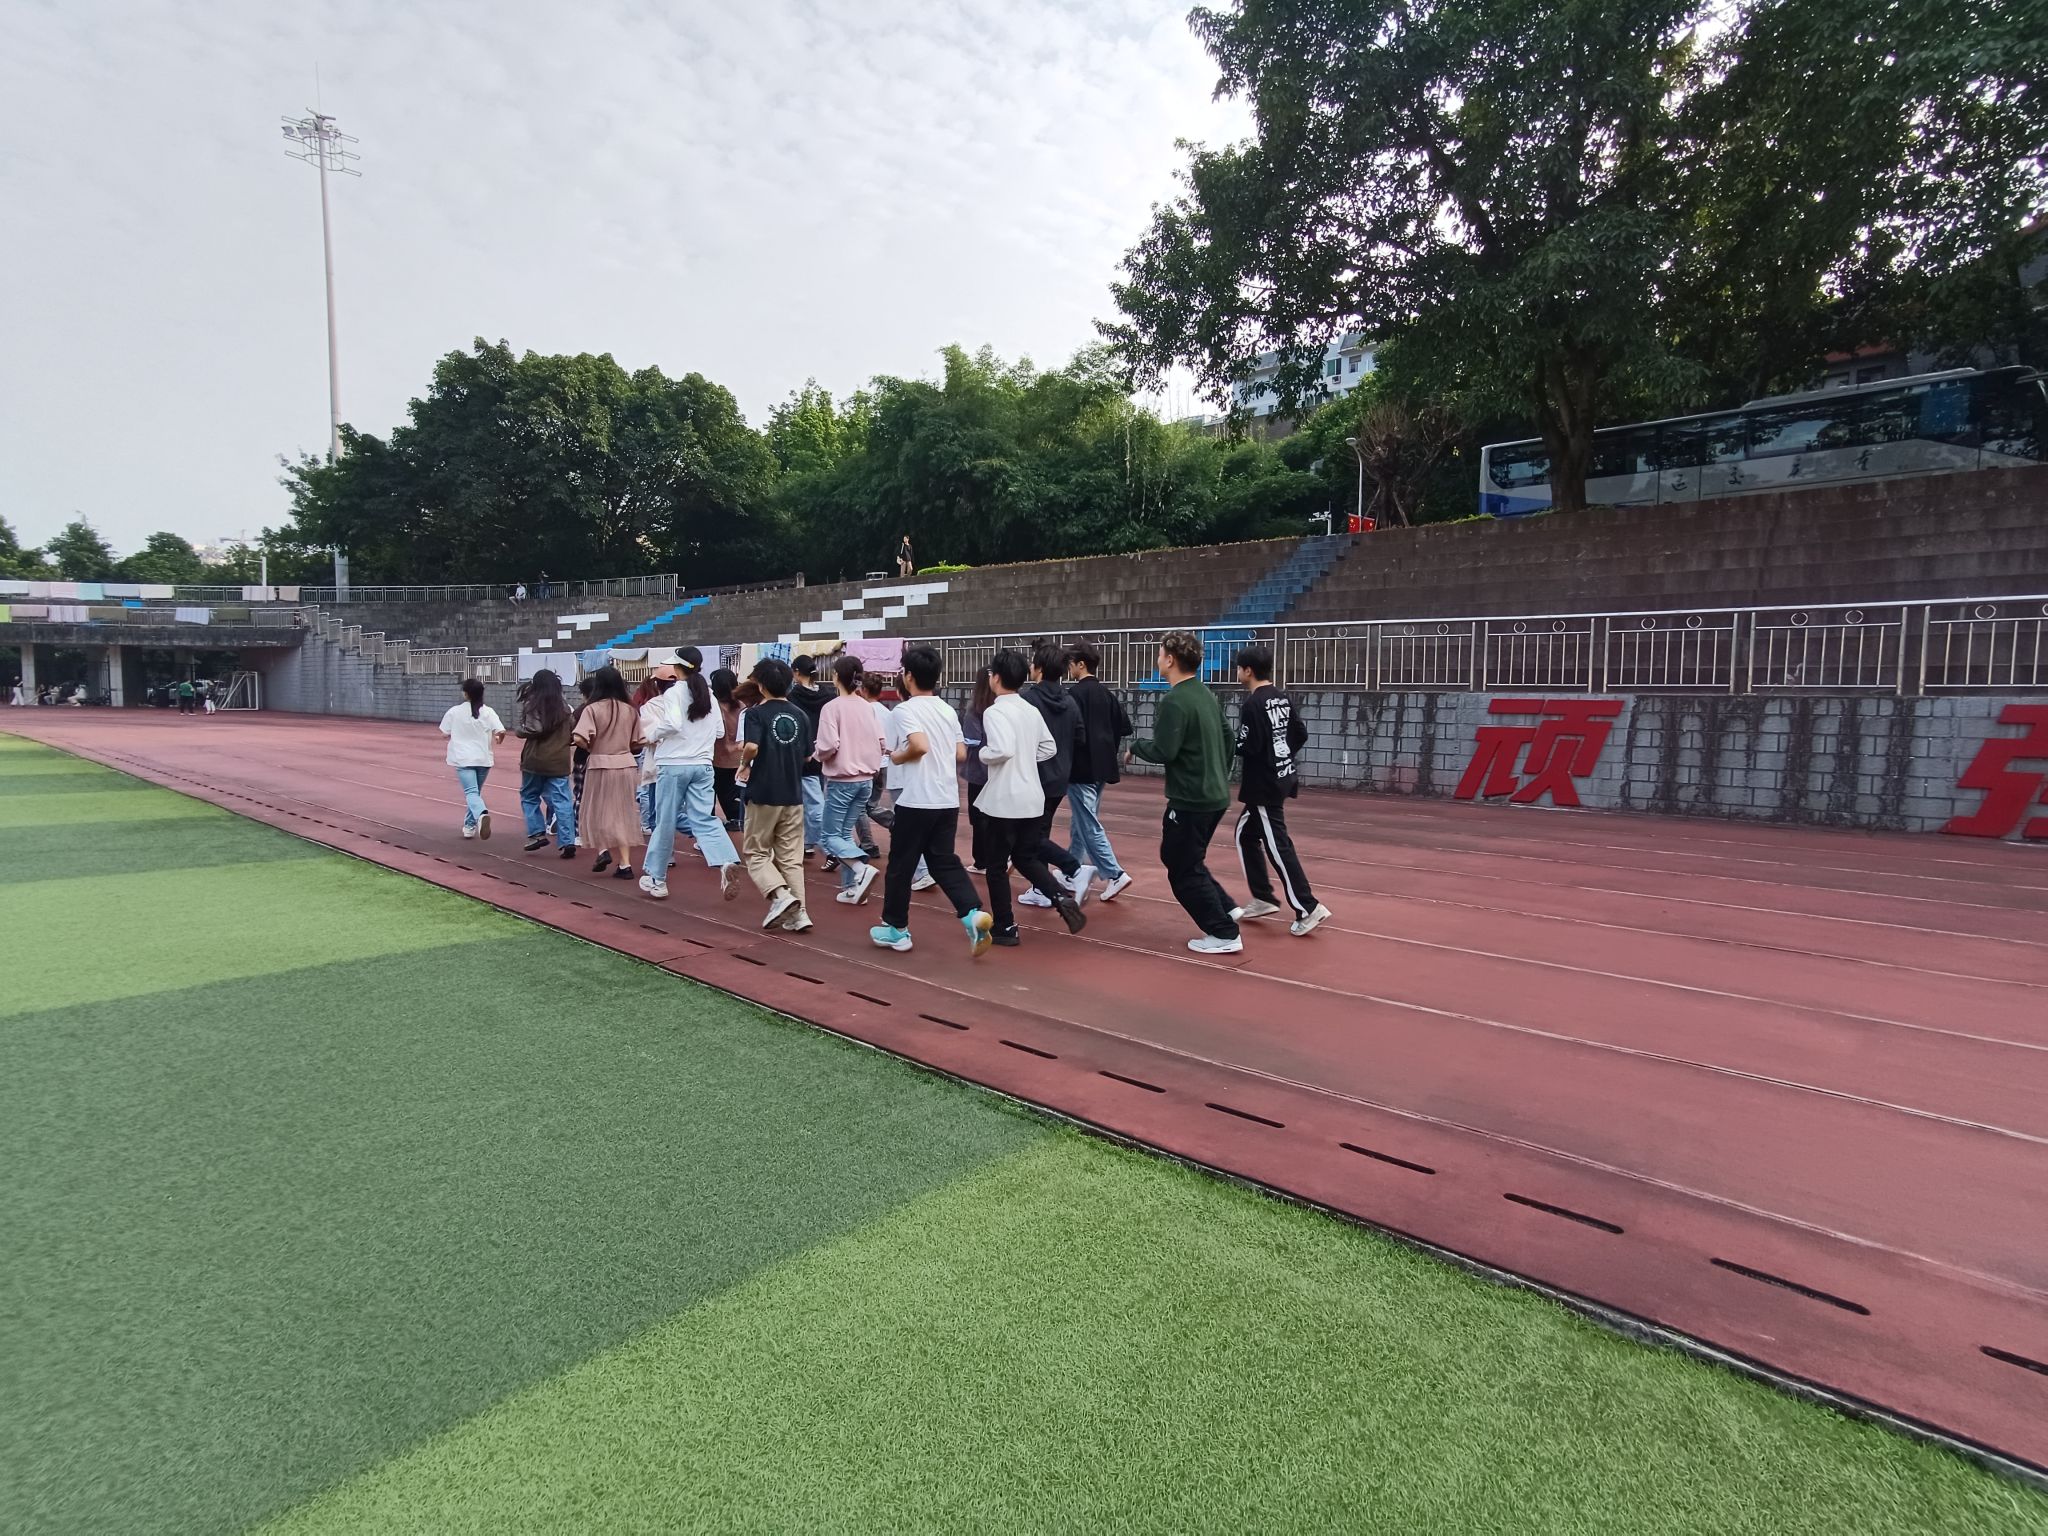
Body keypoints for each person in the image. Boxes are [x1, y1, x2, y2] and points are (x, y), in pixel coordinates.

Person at [869, 644, 995, 956]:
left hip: (916, 800)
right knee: (942, 860)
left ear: (909, 676)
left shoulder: (905, 710)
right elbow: (961, 753)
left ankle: (896, 929)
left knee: (900, 865)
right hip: (946, 799)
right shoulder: (946, 709)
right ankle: (972, 913)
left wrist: (897, 757)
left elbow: (920, 746)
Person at [1128, 631, 1241, 955]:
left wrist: (1136, 746)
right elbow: (1229, 738)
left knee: (1181, 868)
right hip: (1213, 795)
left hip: (1191, 799)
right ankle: (1226, 907)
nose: (1157, 658)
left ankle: (1223, 932)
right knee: (1186, 858)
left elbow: (1165, 750)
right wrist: (1219, 773)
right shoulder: (1205, 694)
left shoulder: (1175, 700)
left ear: (1170, 659)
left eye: (1160, 653)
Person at [977, 649, 1086, 947]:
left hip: (1003, 799)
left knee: (996, 866)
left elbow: (1001, 750)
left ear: (996, 678)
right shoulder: (1029, 709)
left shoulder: (994, 712)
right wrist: (1026, 757)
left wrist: (984, 754)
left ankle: (1005, 926)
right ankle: (1059, 896)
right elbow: (1049, 748)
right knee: (1025, 856)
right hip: (1032, 796)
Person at [1233, 644, 1333, 937]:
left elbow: (1248, 746)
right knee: (1245, 834)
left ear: (1248, 671)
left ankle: (1308, 907)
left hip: (1264, 786)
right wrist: (1282, 755)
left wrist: (1230, 744)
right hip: (1281, 776)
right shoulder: (1281, 698)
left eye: (1238, 668)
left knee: (1278, 845)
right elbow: (1300, 733)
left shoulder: (1253, 705)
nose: (1237, 672)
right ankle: (1263, 897)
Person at [639, 646, 743, 902]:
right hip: (703, 765)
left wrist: (652, 734)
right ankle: (726, 860)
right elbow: (719, 732)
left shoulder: (674, 693)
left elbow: (673, 723)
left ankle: (657, 878)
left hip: (673, 764)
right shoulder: (708, 694)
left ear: (677, 668)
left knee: (665, 821)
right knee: (705, 818)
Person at [739, 657, 814, 933]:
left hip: (764, 791)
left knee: (756, 852)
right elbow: (808, 756)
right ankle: (800, 914)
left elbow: (751, 747)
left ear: (760, 686)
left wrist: (744, 764)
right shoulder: (801, 715)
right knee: (791, 859)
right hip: (793, 793)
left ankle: (780, 895)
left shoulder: (756, 714)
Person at [1017, 641, 1092, 910]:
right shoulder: (1069, 701)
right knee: (1039, 832)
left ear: (1038, 668)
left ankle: (1072, 869)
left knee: (1026, 838)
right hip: (1059, 778)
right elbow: (1080, 737)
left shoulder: (1028, 701)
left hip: (1033, 777)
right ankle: (1042, 886)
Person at [1064, 640, 1134, 902]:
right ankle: (1071, 868)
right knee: (1082, 820)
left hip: (1081, 768)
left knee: (1088, 822)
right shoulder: (1107, 695)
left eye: (1071, 664)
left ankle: (1115, 873)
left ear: (1081, 664)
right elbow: (1124, 727)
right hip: (1103, 767)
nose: (1069, 668)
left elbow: (1069, 732)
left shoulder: (1074, 695)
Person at [814, 655, 886, 905]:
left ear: (836, 677)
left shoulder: (832, 707)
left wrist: (816, 753)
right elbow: (882, 742)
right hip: (866, 779)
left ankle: (860, 869)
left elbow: (828, 745)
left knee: (829, 837)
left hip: (842, 779)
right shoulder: (867, 707)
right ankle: (852, 887)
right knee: (844, 834)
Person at [571, 664, 644, 879]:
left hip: (600, 763)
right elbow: (639, 741)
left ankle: (603, 849)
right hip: (626, 764)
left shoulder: (592, 709)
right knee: (623, 812)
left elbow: (579, 738)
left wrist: (591, 747)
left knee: (596, 809)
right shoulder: (630, 710)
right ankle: (625, 864)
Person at [512, 668, 578, 858]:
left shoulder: (533, 705)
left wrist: (519, 731)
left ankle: (536, 833)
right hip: (559, 761)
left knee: (529, 795)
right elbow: (573, 732)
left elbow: (534, 729)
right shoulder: (565, 708)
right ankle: (568, 841)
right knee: (563, 800)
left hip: (535, 759)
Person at [439, 677, 506, 840]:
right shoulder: (488, 712)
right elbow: (501, 731)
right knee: (475, 793)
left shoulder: (454, 711)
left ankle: (481, 814)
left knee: (471, 793)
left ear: (465, 694)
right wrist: (498, 738)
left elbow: (444, 733)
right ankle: (469, 826)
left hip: (463, 758)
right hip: (483, 759)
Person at [787, 654, 830, 856]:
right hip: (823, 751)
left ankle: (830, 848)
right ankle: (808, 841)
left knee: (811, 802)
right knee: (814, 796)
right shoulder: (828, 694)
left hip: (802, 753)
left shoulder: (793, 697)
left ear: (796, 672)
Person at [959, 670, 995, 873]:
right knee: (995, 816)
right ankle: (997, 856)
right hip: (997, 769)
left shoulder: (975, 709)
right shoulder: (999, 707)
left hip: (978, 770)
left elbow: (971, 740)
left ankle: (981, 860)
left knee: (978, 816)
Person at [710, 667, 746, 830]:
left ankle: (710, 823)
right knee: (733, 795)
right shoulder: (742, 705)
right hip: (739, 756)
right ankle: (736, 819)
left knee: (711, 793)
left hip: (717, 757)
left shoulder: (713, 707)